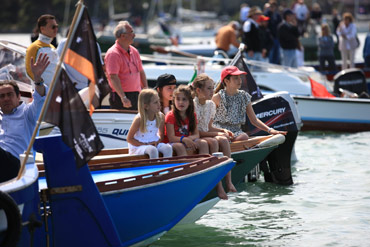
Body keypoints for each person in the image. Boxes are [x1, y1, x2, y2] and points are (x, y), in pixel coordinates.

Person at [0, 53, 49, 183]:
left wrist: (37, 79)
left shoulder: (28, 114)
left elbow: (40, 98)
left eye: (9, 95)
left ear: (18, 97)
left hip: (17, 167)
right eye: (2, 96)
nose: (5, 99)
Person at [191, 74, 236, 200]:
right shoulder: (193, 105)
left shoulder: (210, 105)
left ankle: (228, 180)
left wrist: (222, 130)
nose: (212, 91)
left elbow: (208, 127)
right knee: (215, 141)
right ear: (198, 90)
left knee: (223, 139)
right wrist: (217, 134)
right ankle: (218, 185)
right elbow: (198, 131)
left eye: (213, 88)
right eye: (209, 88)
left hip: (205, 134)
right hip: (195, 137)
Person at [213, 66, 287, 142]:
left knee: (244, 136)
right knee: (225, 138)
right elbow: (208, 120)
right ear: (226, 81)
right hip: (220, 132)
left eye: (239, 77)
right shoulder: (217, 97)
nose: (239, 80)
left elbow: (254, 120)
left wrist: (270, 130)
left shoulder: (244, 96)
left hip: (236, 133)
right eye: (235, 78)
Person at [104, 21, 148, 110]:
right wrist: (123, 97)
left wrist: (146, 90)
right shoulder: (113, 54)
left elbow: (141, 72)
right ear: (123, 36)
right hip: (121, 96)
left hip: (136, 94)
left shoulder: (134, 51)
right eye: (131, 32)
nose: (134, 35)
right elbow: (113, 77)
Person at [164, 85, 208, 157]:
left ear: (190, 101)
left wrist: (189, 139)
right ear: (174, 101)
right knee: (180, 147)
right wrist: (184, 139)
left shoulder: (192, 115)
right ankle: (185, 166)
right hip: (172, 142)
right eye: (178, 99)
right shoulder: (170, 116)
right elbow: (171, 138)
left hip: (186, 140)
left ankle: (203, 165)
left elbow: (196, 134)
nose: (181, 102)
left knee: (203, 143)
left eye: (184, 99)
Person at [127, 89, 172, 159]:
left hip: (153, 143)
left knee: (168, 148)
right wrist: (146, 144)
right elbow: (129, 139)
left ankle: (166, 167)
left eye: (158, 101)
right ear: (146, 106)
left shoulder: (161, 116)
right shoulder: (139, 119)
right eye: (155, 102)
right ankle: (154, 168)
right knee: (152, 150)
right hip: (138, 146)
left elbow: (161, 135)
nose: (159, 104)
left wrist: (157, 142)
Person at [25, 14, 59, 86]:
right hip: (42, 93)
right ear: (42, 29)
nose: (56, 29)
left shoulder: (52, 47)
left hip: (55, 92)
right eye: (53, 27)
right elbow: (29, 71)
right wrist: (42, 88)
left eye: (56, 26)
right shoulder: (34, 47)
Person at [264, 0, 283, 64]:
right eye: (271, 6)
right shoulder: (266, 14)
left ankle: (276, 66)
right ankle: (270, 65)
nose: (272, 8)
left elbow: (280, 25)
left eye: (273, 6)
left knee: (277, 53)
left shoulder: (277, 15)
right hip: (269, 37)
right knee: (270, 53)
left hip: (276, 37)